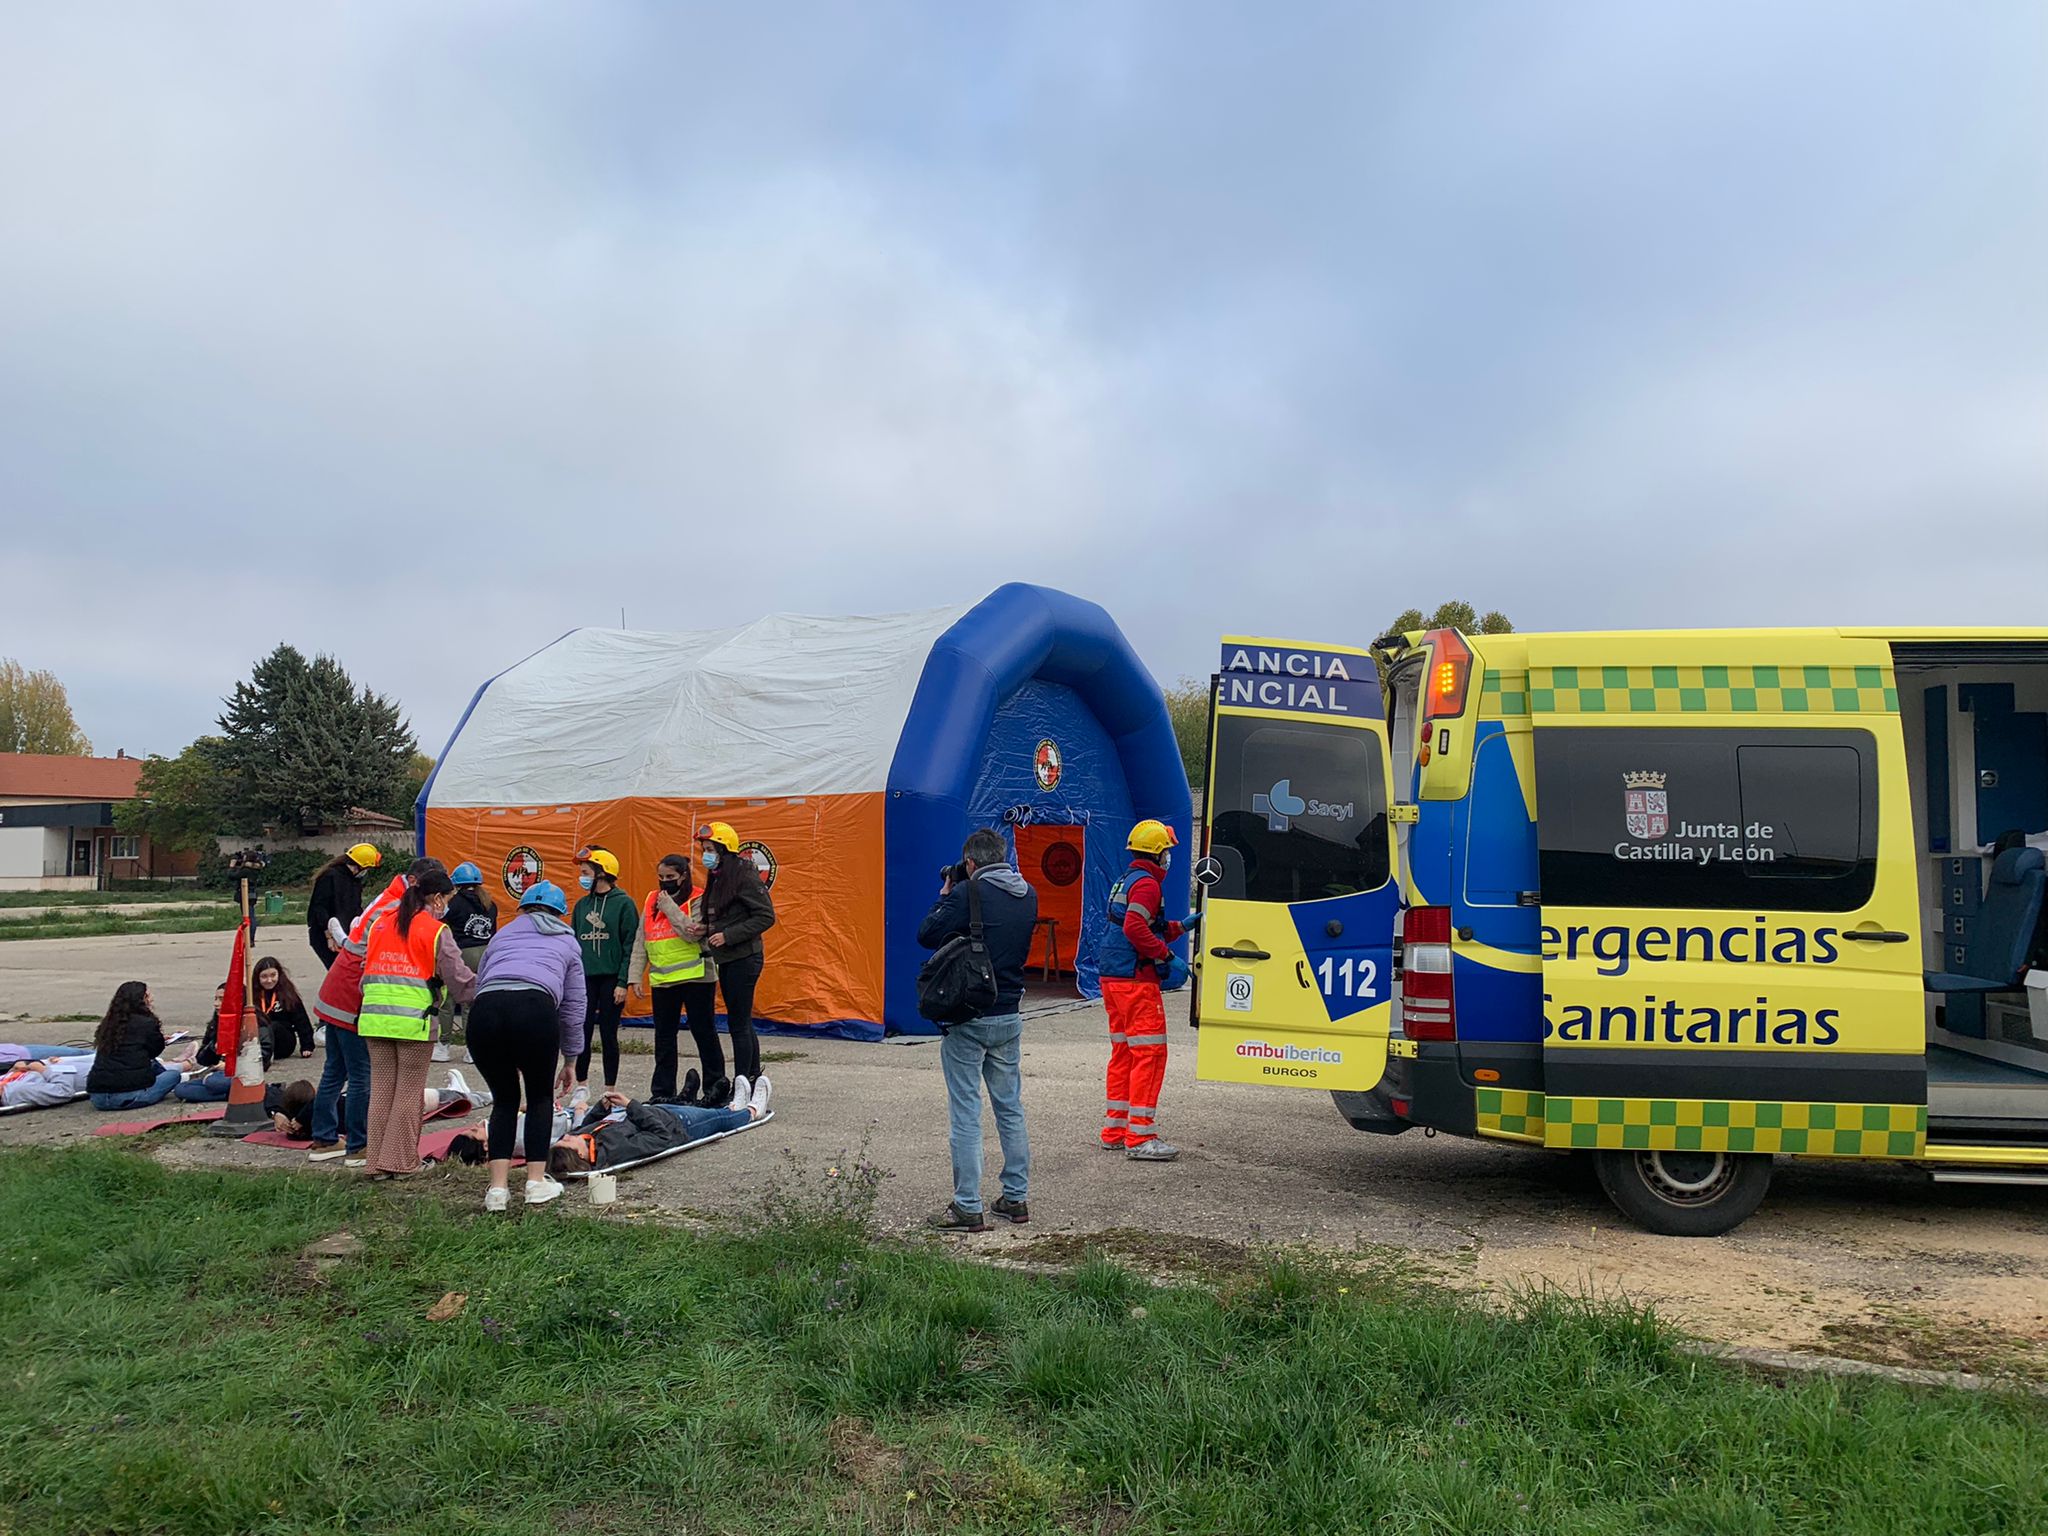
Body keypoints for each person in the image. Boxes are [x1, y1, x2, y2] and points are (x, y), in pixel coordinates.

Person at [916, 827, 1038, 1232]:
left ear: (970, 863)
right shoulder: (1029, 895)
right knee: (1010, 1107)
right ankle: (1015, 1198)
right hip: (1010, 1014)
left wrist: (949, 891)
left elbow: (927, 934)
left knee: (966, 1112)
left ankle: (967, 1205)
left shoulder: (969, 894)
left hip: (969, 1017)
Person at [466, 879, 586, 1211]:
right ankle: (535, 1183)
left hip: (485, 1013)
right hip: (534, 1009)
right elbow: (575, 1008)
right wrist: (571, 1059)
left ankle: (497, 1191)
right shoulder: (567, 943)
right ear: (561, 914)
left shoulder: (501, 936)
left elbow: (481, 982)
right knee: (539, 1098)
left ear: (522, 909)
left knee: (504, 1101)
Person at [356, 860, 476, 1180]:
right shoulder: (436, 931)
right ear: (436, 899)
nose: (447, 907)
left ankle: (375, 1163)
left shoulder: (382, 922)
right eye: (447, 900)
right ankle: (400, 1161)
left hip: (373, 1017)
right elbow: (460, 981)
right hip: (413, 1021)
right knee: (409, 1093)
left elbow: (365, 967)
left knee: (381, 1092)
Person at [1097, 819, 1194, 1163]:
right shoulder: (1149, 885)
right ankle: (1140, 1136)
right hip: (1135, 980)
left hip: (1113, 976)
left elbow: (1139, 926)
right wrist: (1167, 956)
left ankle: (1116, 1131)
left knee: (1124, 1052)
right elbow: (1136, 927)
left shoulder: (1128, 880)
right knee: (1150, 1053)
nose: (1169, 857)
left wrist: (1180, 927)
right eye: (1167, 851)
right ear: (1158, 854)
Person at [306, 863, 412, 1164]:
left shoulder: (382, 902)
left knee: (333, 1072)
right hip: (351, 1003)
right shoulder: (392, 912)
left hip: (333, 995)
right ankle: (358, 1144)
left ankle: (324, 1139)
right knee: (360, 1075)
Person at [628, 853, 721, 1105]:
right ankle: (662, 1091)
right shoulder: (650, 899)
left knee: (704, 1032)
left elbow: (691, 934)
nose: (664, 882)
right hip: (663, 979)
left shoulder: (699, 897)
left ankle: (716, 1086)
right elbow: (641, 938)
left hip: (697, 976)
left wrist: (668, 907)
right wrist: (634, 976)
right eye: (661, 877)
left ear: (683, 876)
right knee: (664, 1038)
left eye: (670, 877)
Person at [547, 1079, 772, 1178]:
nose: (567, 1135)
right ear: (580, 1154)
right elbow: (660, 1137)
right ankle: (751, 1111)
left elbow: (589, 1125)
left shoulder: (584, 1139)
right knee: (718, 1119)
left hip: (657, 1112)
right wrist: (630, 1105)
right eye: (565, 1141)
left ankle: (736, 1105)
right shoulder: (617, 1149)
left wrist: (601, 1108)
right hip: (678, 1124)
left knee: (719, 1112)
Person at [695, 821, 775, 1086]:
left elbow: (765, 916)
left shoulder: (744, 874)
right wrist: (706, 928)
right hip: (727, 958)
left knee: (738, 1024)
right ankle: (751, 1077)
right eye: (704, 848)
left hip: (745, 957)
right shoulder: (718, 876)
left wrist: (728, 936)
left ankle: (743, 1083)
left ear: (724, 849)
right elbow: (725, 913)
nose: (706, 854)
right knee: (740, 1020)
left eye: (710, 848)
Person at [570, 846, 639, 1104]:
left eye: (586, 872)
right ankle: (581, 1085)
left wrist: (623, 981)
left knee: (609, 1034)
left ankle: (610, 1089)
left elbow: (630, 945)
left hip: (611, 979)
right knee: (582, 1030)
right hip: (585, 979)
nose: (582, 876)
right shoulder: (581, 905)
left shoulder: (623, 903)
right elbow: (574, 943)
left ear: (602, 873)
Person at [84, 981, 186, 1111]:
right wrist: (158, 1037)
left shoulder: (108, 1023)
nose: (152, 999)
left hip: (97, 1097)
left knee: (148, 1062)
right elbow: (155, 1051)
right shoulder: (147, 1022)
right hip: (128, 1096)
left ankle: (176, 1067)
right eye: (148, 996)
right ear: (141, 1000)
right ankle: (182, 1070)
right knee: (173, 1075)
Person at [435, 862, 499, 1061]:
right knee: (473, 1003)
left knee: (447, 1000)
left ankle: (443, 1046)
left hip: (459, 953)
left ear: (457, 884)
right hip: (485, 954)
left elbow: (439, 924)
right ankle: (472, 1049)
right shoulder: (490, 904)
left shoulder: (453, 904)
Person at [178, 981, 275, 1100]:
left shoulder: (256, 1023)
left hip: (244, 1073)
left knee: (212, 1082)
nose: (216, 1004)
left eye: (221, 999)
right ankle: (231, 1095)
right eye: (215, 999)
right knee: (181, 1089)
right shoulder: (216, 1024)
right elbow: (202, 1059)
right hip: (220, 1073)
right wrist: (214, 1047)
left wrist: (232, 1065)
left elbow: (263, 1057)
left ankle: (240, 1091)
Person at [307, 843, 383, 971]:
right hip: (324, 935)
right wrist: (329, 936)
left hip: (347, 934)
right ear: (359, 866)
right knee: (338, 972)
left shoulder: (354, 881)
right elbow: (319, 908)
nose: (366, 872)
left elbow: (356, 908)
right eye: (367, 868)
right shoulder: (330, 876)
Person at [252, 956, 316, 1059]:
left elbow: (301, 1020)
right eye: (264, 976)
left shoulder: (287, 993)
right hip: (259, 1040)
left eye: (273, 975)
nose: (269, 980)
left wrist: (307, 1045)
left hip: (283, 1040)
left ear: (279, 974)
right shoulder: (252, 995)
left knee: (273, 1025)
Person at [1, 1051, 95, 1109]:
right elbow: (63, 1091)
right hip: (80, 1072)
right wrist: (44, 1070)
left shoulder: (3, 1083)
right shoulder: (17, 1091)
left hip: (59, 1065)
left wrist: (19, 1066)